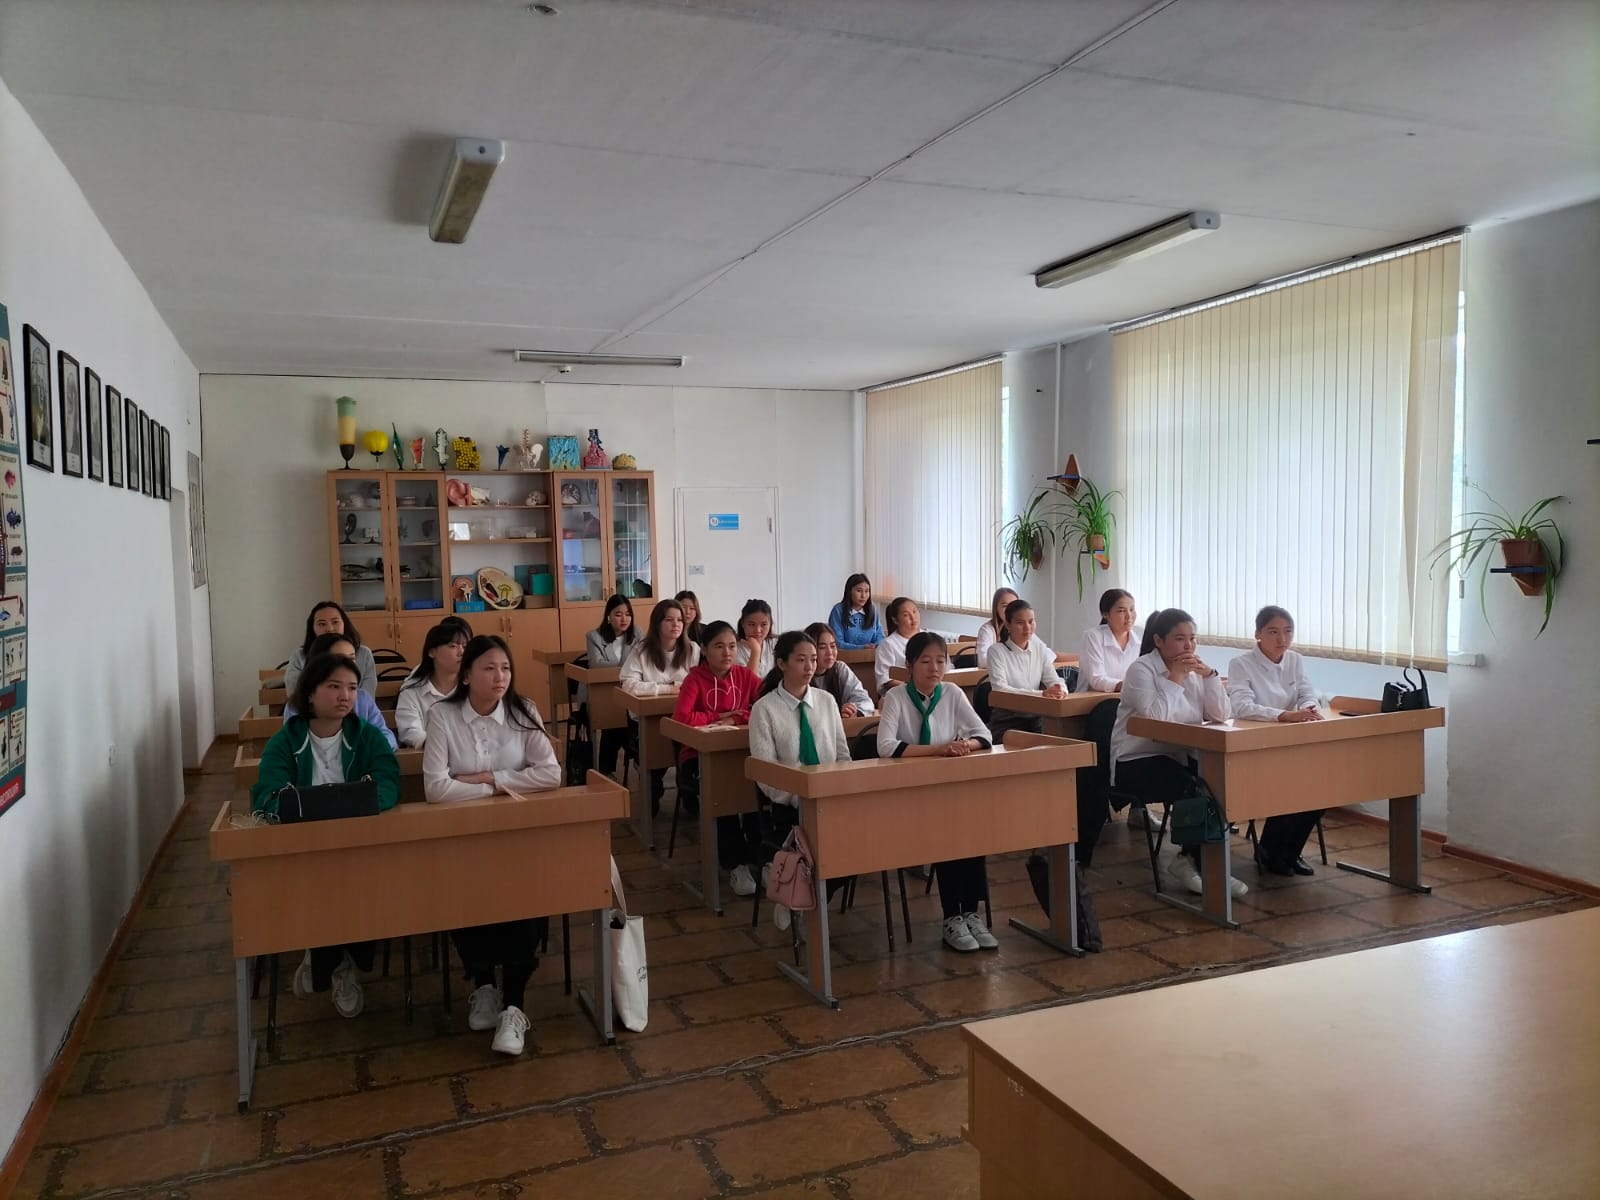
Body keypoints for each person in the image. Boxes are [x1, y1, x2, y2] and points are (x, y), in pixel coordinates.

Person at [422, 636, 561, 1056]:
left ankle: (514, 1005)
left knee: (525, 902)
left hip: (518, 836)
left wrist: (489, 780)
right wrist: (500, 788)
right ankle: (483, 985)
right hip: (464, 837)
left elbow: (551, 774)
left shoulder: (523, 710)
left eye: (505, 668)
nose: (500, 677)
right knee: (467, 899)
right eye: (488, 668)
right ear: (466, 675)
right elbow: (435, 789)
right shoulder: (442, 715)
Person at [251, 649, 400, 1019]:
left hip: (359, 845)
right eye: (334, 686)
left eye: (351, 687)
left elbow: (388, 784)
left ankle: (327, 958)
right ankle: (335, 963)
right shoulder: (286, 741)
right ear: (310, 693)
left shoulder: (367, 737)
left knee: (361, 883)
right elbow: (268, 795)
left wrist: (332, 806)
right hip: (304, 850)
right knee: (323, 885)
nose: (345, 695)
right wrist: (338, 804)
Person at [1112, 608, 1248, 898]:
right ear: (1158, 641)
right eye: (1179, 639)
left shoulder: (1196, 671)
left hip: (1180, 755)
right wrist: (1174, 677)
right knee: (1195, 789)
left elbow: (1221, 715)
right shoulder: (1141, 670)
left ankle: (1190, 858)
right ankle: (1202, 866)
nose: (1188, 646)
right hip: (1136, 759)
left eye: (1192, 639)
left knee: (1223, 785)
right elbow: (1154, 718)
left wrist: (1209, 676)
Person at [875, 632, 996, 952]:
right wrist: (938, 749)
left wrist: (964, 745)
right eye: (925, 661)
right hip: (909, 793)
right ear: (909, 665)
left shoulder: (952, 693)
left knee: (972, 828)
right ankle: (952, 916)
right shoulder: (897, 697)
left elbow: (984, 735)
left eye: (941, 661)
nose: (934, 668)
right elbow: (885, 747)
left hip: (948, 789)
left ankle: (971, 913)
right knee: (948, 830)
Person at [749, 630, 853, 931]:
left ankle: (803, 900)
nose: (810, 667)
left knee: (858, 848)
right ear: (781, 663)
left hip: (830, 799)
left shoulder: (827, 701)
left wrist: (839, 791)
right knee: (819, 850)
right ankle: (798, 897)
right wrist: (799, 796)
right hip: (789, 807)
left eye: (813, 660)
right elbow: (765, 774)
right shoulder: (764, 709)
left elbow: (842, 755)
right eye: (801, 660)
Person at [1228, 606, 1324, 876]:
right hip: (1256, 745)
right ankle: (1271, 852)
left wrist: (1308, 708)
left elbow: (1307, 692)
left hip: (1291, 742)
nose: (1282, 639)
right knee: (1287, 788)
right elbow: (1242, 707)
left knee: (1321, 790)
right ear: (1258, 634)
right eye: (1273, 632)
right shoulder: (1241, 664)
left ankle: (1290, 853)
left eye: (1288, 631)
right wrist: (1284, 715)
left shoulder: (1294, 659)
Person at [673, 621, 764, 888]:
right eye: (719, 646)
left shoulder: (745, 676)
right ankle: (735, 864)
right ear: (704, 649)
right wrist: (717, 716)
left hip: (740, 753)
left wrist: (736, 718)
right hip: (698, 757)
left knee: (757, 793)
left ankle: (760, 860)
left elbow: (767, 705)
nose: (727, 653)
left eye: (732, 646)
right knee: (723, 796)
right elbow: (682, 718)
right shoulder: (694, 679)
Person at [620, 599, 700, 814]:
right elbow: (628, 685)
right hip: (648, 720)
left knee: (690, 758)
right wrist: (668, 688)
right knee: (655, 762)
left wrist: (675, 688)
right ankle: (653, 791)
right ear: (657, 623)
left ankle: (689, 793)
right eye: (669, 620)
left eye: (680, 620)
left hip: (682, 717)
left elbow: (696, 684)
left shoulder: (692, 649)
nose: (676, 625)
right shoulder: (642, 650)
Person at [284, 633, 398, 750]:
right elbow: (293, 744)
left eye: (352, 658)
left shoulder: (362, 698)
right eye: (340, 659)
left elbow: (387, 736)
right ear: (318, 663)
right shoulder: (297, 704)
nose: (348, 664)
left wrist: (365, 750)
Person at [585, 595, 641, 773]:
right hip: (603, 693)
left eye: (628, 614)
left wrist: (623, 668)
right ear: (608, 616)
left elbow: (643, 662)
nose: (624, 619)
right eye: (618, 614)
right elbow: (596, 665)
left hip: (629, 692)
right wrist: (629, 667)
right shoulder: (594, 636)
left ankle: (612, 770)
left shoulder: (637, 634)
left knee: (621, 722)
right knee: (613, 721)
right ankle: (612, 770)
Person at [394, 621, 467, 747]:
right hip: (428, 755)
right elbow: (411, 732)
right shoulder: (412, 691)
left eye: (464, 646)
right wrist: (445, 746)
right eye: (453, 646)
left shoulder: (473, 687)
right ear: (432, 652)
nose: (461, 652)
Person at [284, 601, 377, 697]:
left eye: (335, 622)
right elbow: (295, 694)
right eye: (322, 624)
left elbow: (367, 696)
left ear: (344, 623)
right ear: (312, 628)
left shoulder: (364, 653)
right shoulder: (299, 656)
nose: (330, 628)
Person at [803, 622, 874, 717]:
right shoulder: (801, 673)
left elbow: (864, 700)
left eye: (833, 646)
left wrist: (854, 711)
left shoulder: (839, 668)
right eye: (822, 647)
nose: (830, 652)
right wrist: (836, 712)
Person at [1077, 589, 1141, 694]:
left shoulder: (1140, 636)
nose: (1129, 616)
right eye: (1121, 611)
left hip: (1129, 697)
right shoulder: (1093, 636)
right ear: (1105, 614)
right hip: (1094, 699)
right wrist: (1126, 686)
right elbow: (1096, 679)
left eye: (1132, 609)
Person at [873, 596, 920, 694]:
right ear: (895, 620)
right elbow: (885, 680)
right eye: (906, 615)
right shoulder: (887, 645)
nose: (913, 617)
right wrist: (914, 690)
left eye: (914, 612)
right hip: (902, 694)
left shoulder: (930, 639)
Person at [827, 573, 883, 648]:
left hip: (871, 654)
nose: (863, 595)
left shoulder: (873, 610)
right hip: (846, 655)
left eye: (866, 591)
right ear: (849, 591)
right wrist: (862, 648)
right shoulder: (838, 610)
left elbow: (880, 637)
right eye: (859, 591)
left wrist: (875, 646)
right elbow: (837, 643)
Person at [974, 588, 1018, 668]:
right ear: (996, 608)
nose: (1009, 610)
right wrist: (1012, 661)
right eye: (1004, 606)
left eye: (1014, 606)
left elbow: (1041, 653)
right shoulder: (986, 630)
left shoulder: (1023, 627)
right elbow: (982, 661)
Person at [733, 598, 777, 677]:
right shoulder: (734, 649)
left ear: (770, 624)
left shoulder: (775, 643)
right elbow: (748, 682)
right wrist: (755, 651)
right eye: (752, 624)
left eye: (764, 624)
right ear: (742, 623)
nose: (758, 630)